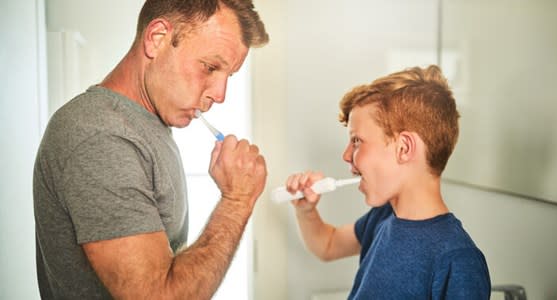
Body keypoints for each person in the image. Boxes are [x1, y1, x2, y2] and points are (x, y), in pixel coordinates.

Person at [33, 0, 268, 299]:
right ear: (157, 39)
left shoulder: (147, 125)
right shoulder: (100, 136)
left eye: (228, 76)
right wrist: (237, 200)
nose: (220, 94)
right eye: (210, 67)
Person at [284, 65, 491, 299]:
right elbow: (328, 245)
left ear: (404, 148)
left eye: (357, 141)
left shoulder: (457, 259)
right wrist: (307, 211)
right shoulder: (383, 217)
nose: (345, 154)